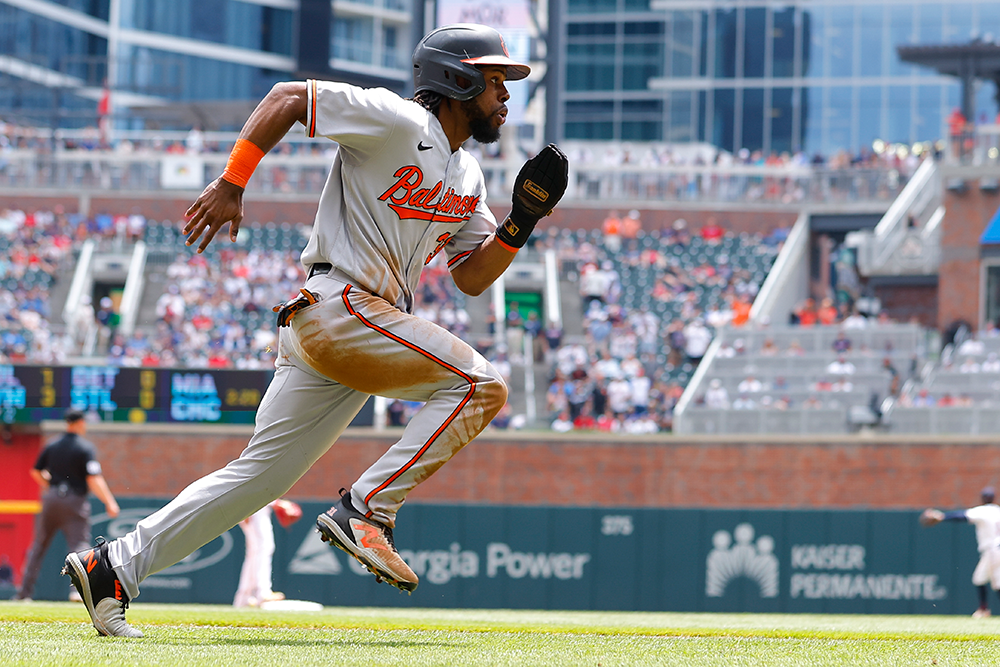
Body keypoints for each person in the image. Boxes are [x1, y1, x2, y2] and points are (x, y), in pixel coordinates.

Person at [62, 23, 568, 638]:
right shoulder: (396, 120)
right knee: (481, 385)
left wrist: (521, 221)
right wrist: (232, 181)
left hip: (350, 328)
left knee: (259, 480)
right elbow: (285, 98)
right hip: (341, 306)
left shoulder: (468, 177)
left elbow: (473, 277)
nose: (505, 96)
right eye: (494, 82)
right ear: (456, 79)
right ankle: (367, 511)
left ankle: (113, 566)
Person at [13, 409, 121, 602]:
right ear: (80, 423)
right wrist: (109, 501)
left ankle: (24, 594)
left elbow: (36, 472)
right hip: (74, 501)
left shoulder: (52, 444)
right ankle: (76, 591)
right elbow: (94, 479)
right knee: (79, 546)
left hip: (52, 499)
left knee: (38, 546)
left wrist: (54, 487)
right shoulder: (84, 447)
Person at [921, 487, 1000, 618]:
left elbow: (962, 516)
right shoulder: (997, 510)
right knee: (979, 578)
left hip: (993, 549)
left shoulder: (983, 510)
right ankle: (983, 609)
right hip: (994, 550)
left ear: (982, 499)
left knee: (996, 583)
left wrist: (942, 517)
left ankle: (983, 609)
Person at [233, 498, 302, 608]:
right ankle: (262, 592)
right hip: (255, 506)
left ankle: (244, 598)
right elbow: (256, 486)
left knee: (254, 553)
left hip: (254, 505)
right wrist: (277, 503)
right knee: (263, 548)